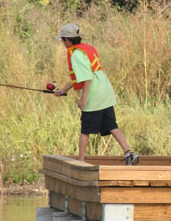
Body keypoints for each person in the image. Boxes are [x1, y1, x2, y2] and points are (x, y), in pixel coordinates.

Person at [52, 23, 139, 165]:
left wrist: (83, 98)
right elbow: (79, 76)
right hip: (105, 90)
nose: (62, 43)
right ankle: (129, 153)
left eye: (62, 41)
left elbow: (86, 78)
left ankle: (81, 161)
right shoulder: (86, 50)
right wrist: (63, 90)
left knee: (85, 129)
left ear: (68, 40)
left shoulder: (76, 55)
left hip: (94, 94)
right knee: (112, 125)